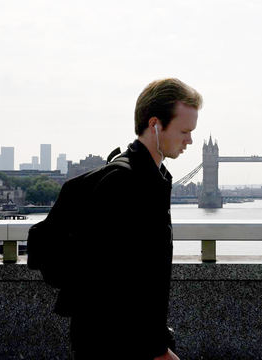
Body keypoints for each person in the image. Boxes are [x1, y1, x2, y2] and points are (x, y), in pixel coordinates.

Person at [69, 78, 202, 360]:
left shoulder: (153, 178)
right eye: (184, 131)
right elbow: (113, 281)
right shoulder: (125, 183)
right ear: (155, 124)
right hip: (115, 344)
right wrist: (155, 348)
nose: (190, 140)